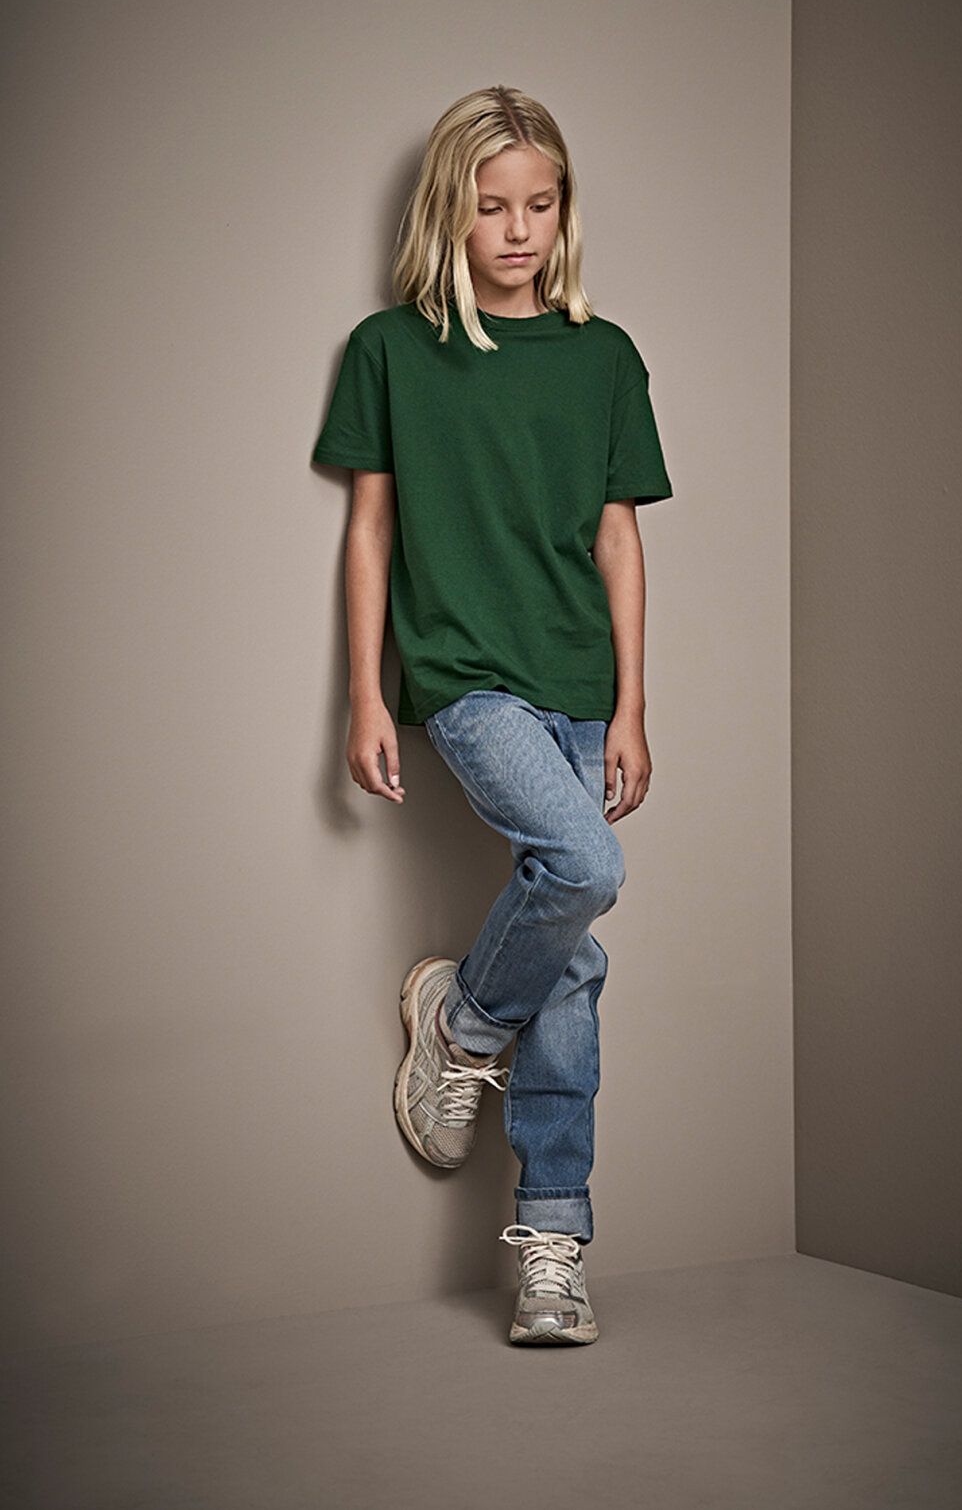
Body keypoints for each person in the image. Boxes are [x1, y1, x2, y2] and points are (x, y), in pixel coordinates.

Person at [313, 86, 672, 1345]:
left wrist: (633, 704)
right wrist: (366, 691)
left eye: (540, 204)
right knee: (585, 869)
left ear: (563, 210)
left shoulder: (604, 355)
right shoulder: (390, 351)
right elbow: (371, 531)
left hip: (580, 679)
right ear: (448, 213)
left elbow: (619, 540)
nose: (518, 230)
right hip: (463, 671)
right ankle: (463, 1024)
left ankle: (551, 1248)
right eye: (491, 206)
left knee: (572, 965)